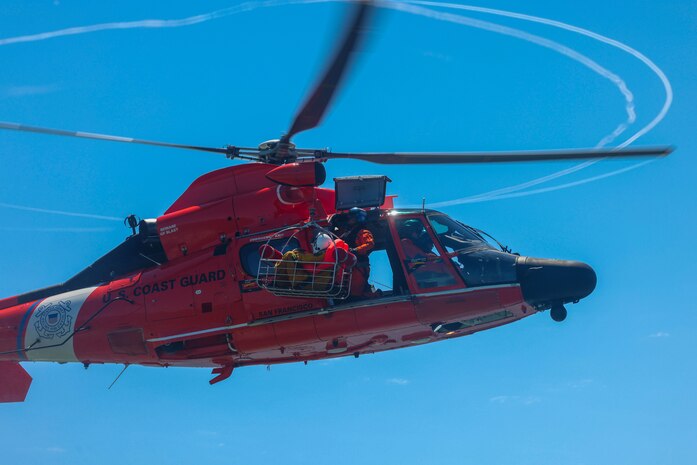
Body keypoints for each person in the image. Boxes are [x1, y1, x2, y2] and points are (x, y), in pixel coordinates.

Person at [331, 208, 376, 298]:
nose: (349, 220)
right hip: (346, 267)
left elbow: (369, 244)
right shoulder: (347, 232)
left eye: (351, 217)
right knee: (344, 291)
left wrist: (355, 250)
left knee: (355, 293)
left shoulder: (363, 232)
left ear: (358, 218)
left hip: (358, 267)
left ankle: (370, 296)